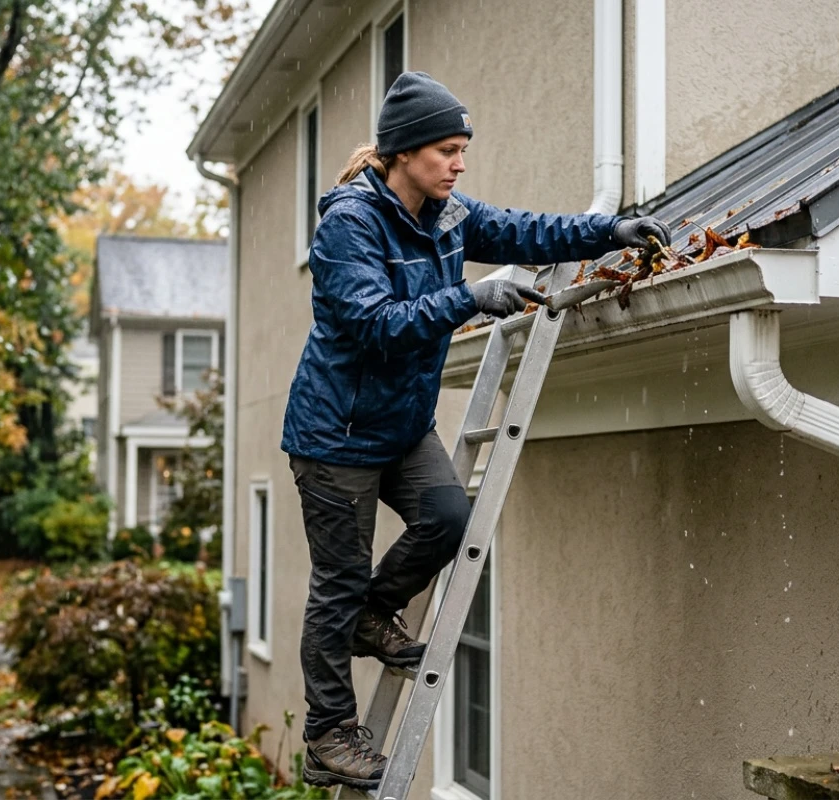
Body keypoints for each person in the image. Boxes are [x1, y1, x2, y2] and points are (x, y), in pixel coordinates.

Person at [282, 71, 669, 791]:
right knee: (334, 583)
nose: (459, 164)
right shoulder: (349, 224)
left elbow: (526, 229)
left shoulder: (448, 214)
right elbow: (372, 326)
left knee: (448, 517)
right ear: (402, 153)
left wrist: (609, 229)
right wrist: (468, 295)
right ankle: (328, 734)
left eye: (463, 150)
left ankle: (376, 612)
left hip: (398, 425)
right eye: (447, 151)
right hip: (335, 435)